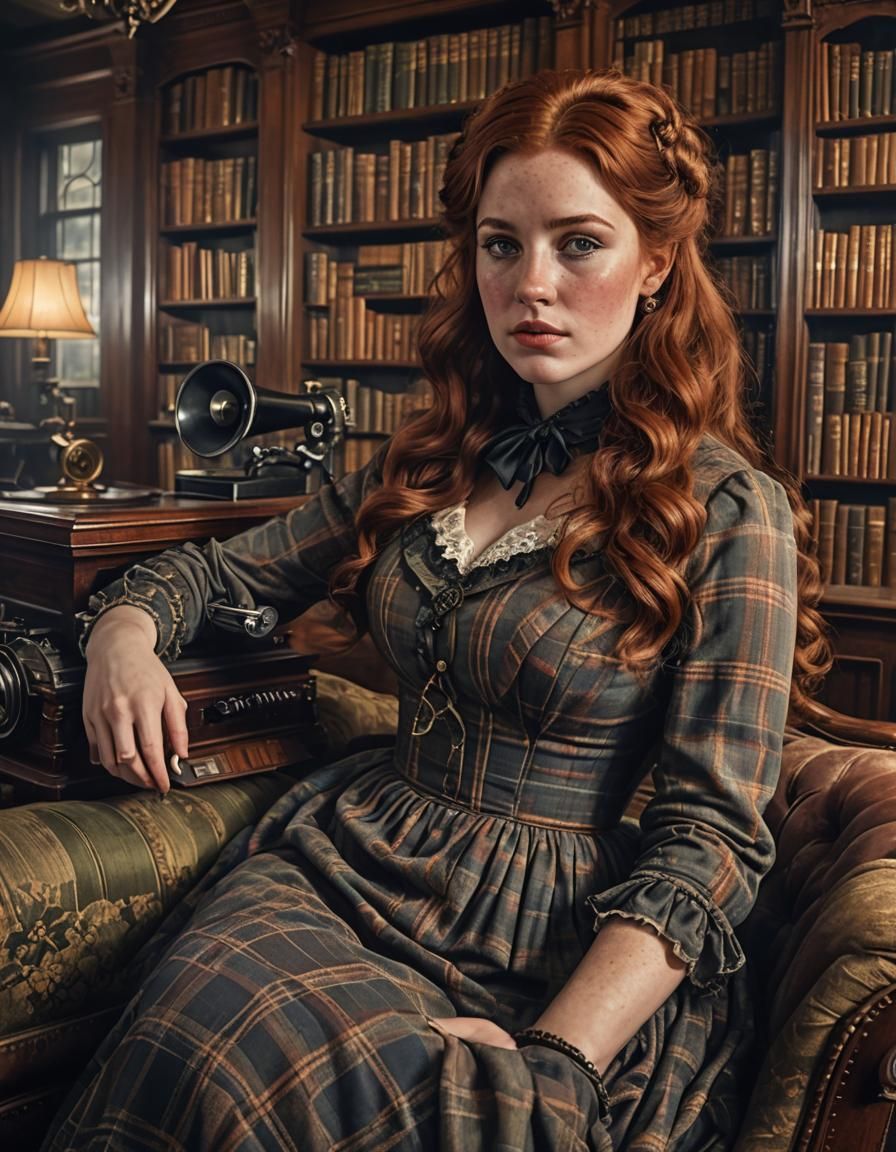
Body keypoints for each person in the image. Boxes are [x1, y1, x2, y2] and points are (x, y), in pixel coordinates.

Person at [44, 67, 830, 1152]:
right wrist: (122, 639)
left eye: (578, 243)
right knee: (201, 1027)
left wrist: (559, 1054)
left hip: (547, 941)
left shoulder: (730, 509)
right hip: (348, 862)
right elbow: (212, 575)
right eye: (501, 244)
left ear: (653, 262)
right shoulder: (426, 458)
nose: (532, 285)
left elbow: (711, 841)